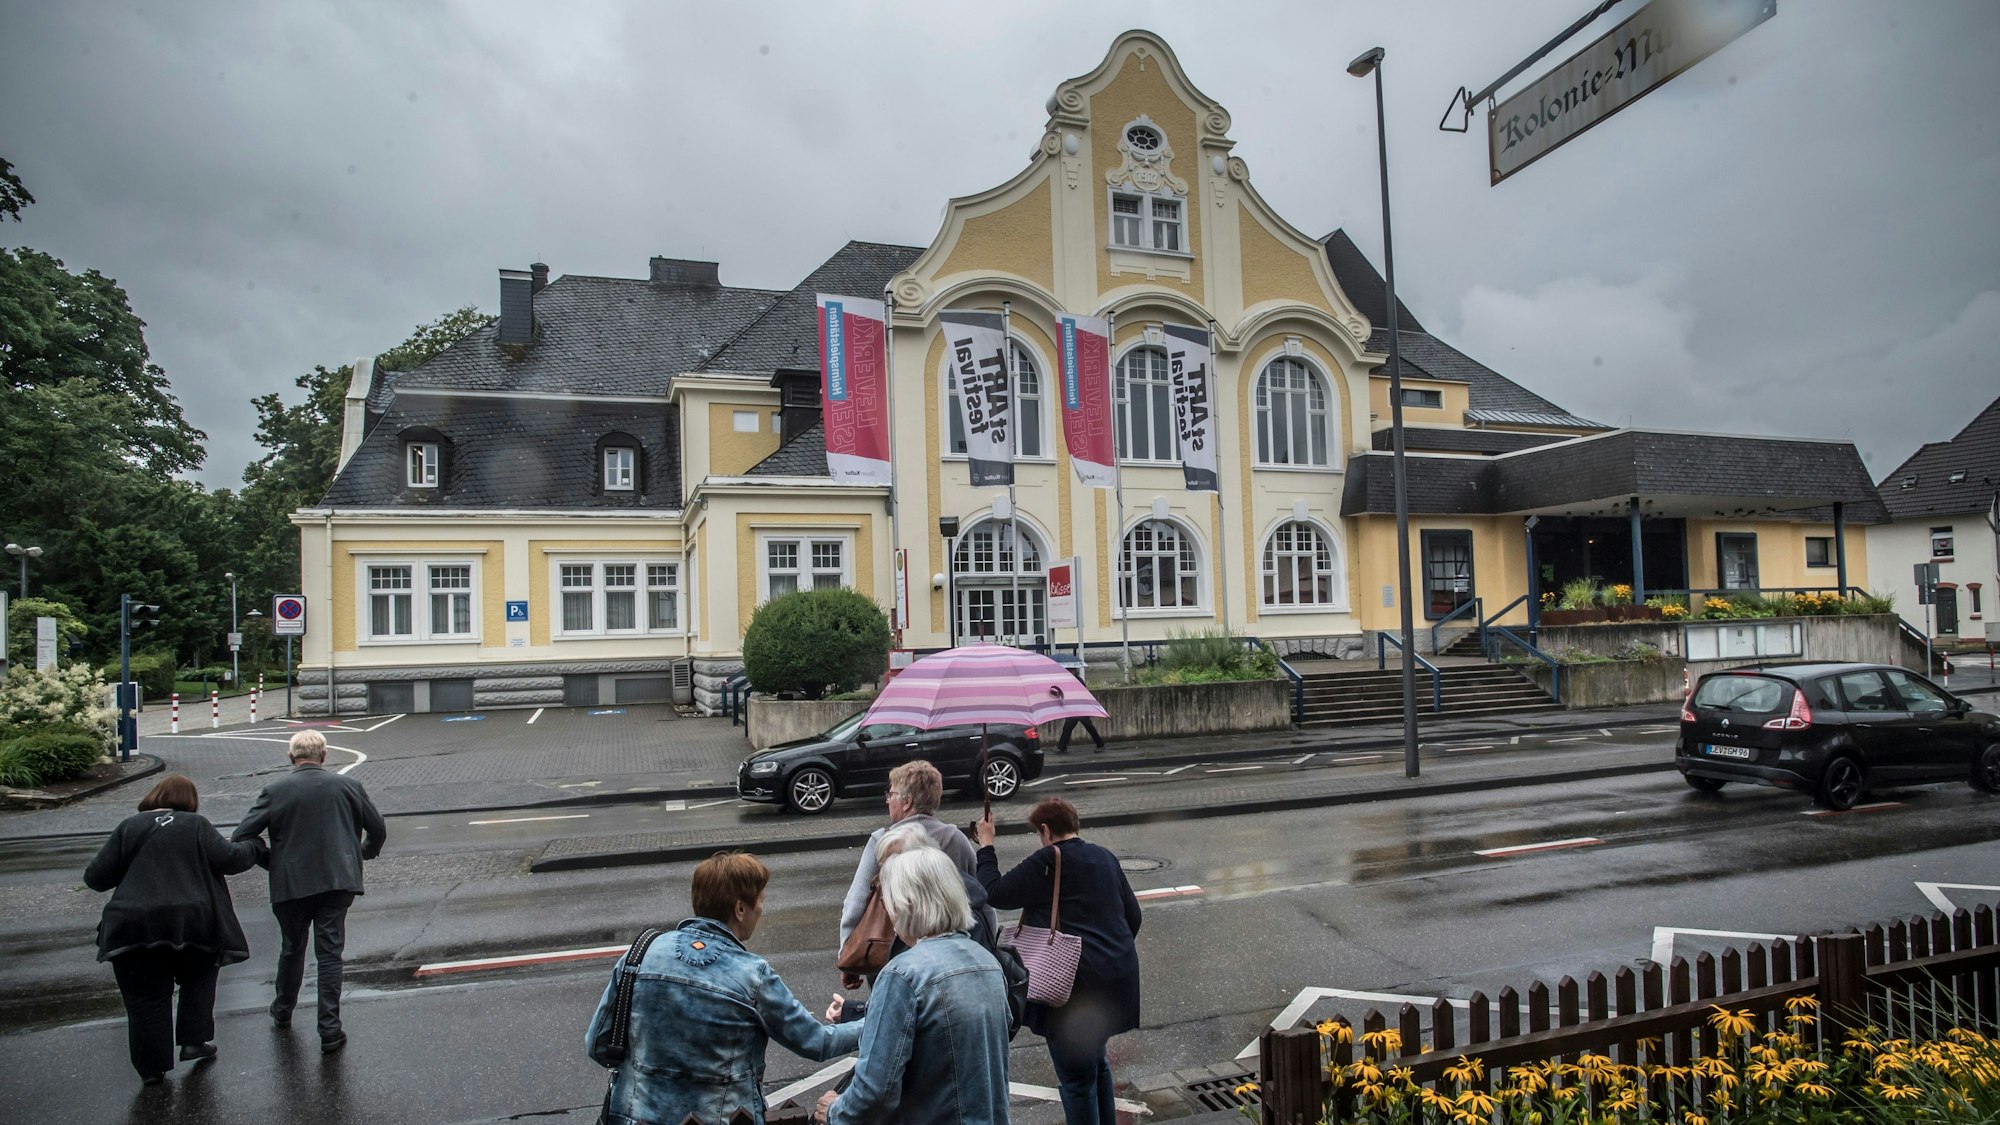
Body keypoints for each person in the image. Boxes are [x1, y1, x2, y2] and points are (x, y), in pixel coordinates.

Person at [586, 851, 861, 1125]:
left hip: (635, 1116)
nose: (761, 910)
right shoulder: (752, 974)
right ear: (740, 909)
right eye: (760, 901)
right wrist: (877, 1020)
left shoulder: (640, 954)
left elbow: (597, 1045)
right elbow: (817, 1042)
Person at [84, 775, 265, 1086]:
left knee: (145, 997)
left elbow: (96, 878)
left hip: (133, 926)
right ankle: (194, 1041)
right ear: (190, 801)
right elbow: (230, 859)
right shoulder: (195, 825)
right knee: (199, 978)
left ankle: (152, 1069)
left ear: (154, 796)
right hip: (194, 922)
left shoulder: (129, 826)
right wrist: (254, 845)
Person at [812, 847, 1012, 1125]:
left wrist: (835, 1111)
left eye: (888, 903)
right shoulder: (987, 962)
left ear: (905, 905)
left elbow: (875, 1090)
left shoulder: (903, 974)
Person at [976, 797, 1141, 1125]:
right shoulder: (1104, 856)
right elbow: (1132, 916)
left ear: (1046, 830)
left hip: (1072, 988)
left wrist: (986, 844)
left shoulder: (1048, 860)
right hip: (1115, 979)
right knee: (1097, 1066)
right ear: (1075, 824)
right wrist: (1108, 953)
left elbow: (993, 892)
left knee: (1077, 1081)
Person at [231, 729, 386, 1053]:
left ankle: (283, 1009)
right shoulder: (347, 786)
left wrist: (272, 861)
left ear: (291, 757)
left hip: (291, 883)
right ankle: (329, 1029)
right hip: (337, 880)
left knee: (292, 948)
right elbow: (377, 829)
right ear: (324, 755)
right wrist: (361, 854)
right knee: (329, 954)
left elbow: (243, 835)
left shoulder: (275, 790)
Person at [838, 759, 992, 989]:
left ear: (906, 801)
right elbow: (979, 897)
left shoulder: (883, 841)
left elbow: (856, 901)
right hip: (949, 954)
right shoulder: (956, 839)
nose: (888, 800)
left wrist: (847, 957)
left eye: (890, 794)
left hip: (892, 949)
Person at [829, 821, 998, 1025]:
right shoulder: (979, 952)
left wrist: (854, 1015)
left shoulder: (907, 969)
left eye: (892, 867)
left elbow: (903, 1027)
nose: (885, 880)